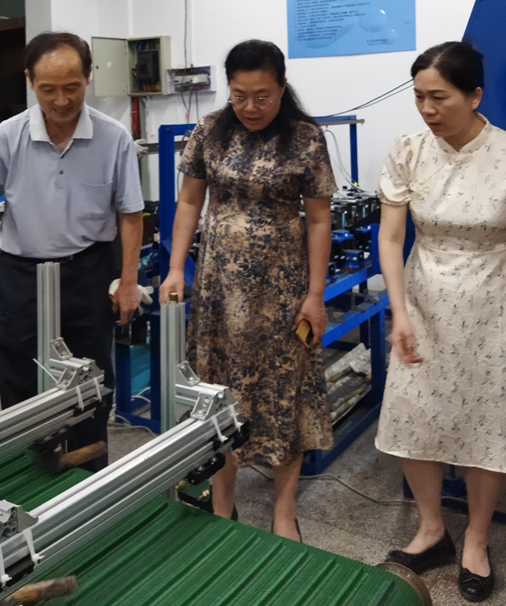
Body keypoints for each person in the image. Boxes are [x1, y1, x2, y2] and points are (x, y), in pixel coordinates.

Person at [376, 41, 506, 602]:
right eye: (418, 97)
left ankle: (477, 538)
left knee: (488, 421)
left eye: (439, 97)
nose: (427, 109)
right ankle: (432, 530)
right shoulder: (408, 150)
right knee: (413, 415)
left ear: (474, 95)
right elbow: (390, 237)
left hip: (495, 302)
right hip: (423, 300)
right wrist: (398, 311)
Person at [159, 39, 336, 541]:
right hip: (218, 289)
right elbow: (189, 203)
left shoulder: (305, 138)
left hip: (283, 290)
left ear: (282, 87)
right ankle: (222, 504)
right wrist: (175, 268)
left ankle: (284, 510)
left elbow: (319, 220)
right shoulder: (209, 130)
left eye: (262, 96)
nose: (251, 107)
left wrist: (315, 294)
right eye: (240, 96)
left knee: (285, 392)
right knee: (219, 393)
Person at [0, 32, 144, 471]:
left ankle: (87, 476)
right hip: (22, 275)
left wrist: (129, 281)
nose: (61, 101)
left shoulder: (114, 137)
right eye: (48, 89)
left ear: (88, 77)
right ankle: (24, 471)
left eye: (72, 87)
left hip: (88, 272)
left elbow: (130, 214)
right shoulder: (7, 136)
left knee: (90, 376)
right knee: (19, 372)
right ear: (30, 81)